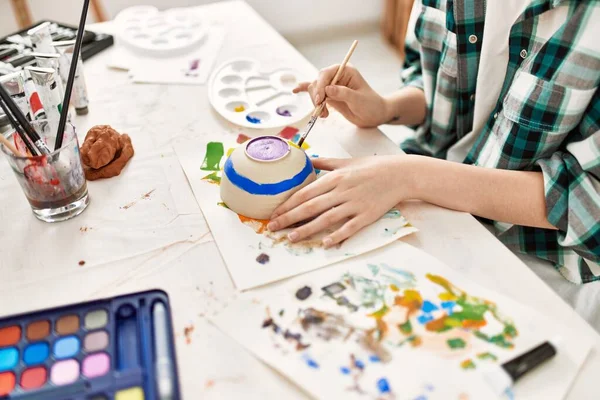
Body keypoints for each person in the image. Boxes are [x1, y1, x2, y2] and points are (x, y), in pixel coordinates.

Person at [268, 1, 600, 328]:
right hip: (431, 191)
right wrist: (385, 108)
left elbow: (589, 204)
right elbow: (445, 87)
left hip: (541, 255)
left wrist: (411, 175)